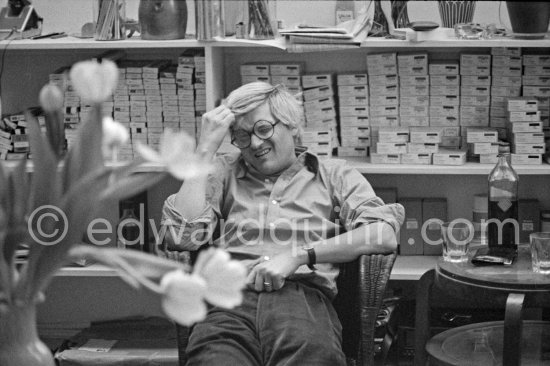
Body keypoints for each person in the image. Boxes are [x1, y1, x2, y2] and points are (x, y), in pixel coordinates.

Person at [161, 82, 404, 366]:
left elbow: (382, 234)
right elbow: (179, 237)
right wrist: (204, 150)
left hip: (302, 301)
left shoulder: (333, 174)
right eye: (241, 136)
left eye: (263, 129)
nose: (254, 144)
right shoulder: (222, 172)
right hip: (230, 302)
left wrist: (299, 254)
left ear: (291, 125)